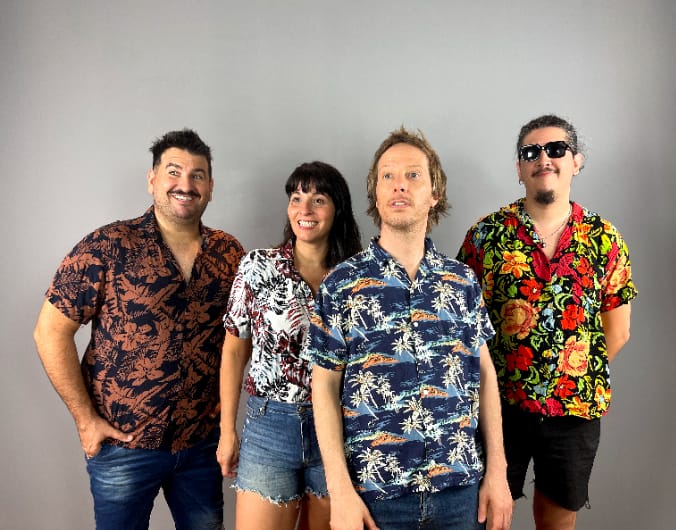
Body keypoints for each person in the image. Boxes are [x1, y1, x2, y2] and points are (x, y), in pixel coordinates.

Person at [33, 129, 245, 530]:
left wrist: (227, 420)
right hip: (123, 446)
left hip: (201, 445)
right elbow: (49, 332)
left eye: (197, 175)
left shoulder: (229, 253)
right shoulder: (107, 245)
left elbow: (241, 339)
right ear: (152, 179)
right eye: (174, 172)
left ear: (210, 187)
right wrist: (85, 419)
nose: (185, 184)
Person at [307, 127, 513, 530]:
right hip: (375, 498)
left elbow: (485, 376)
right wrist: (340, 491)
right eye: (388, 176)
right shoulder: (342, 284)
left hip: (460, 493)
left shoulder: (462, 282)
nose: (399, 184)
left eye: (413, 175)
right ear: (376, 194)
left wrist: (498, 472)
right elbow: (324, 386)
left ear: (435, 193)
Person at [457, 114, 638, 530]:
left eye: (556, 149)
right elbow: (463, 326)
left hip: (574, 409)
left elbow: (618, 330)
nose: (544, 159)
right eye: (531, 152)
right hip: (499, 407)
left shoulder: (604, 238)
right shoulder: (486, 235)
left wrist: (566, 373)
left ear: (576, 162)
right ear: (519, 169)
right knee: (486, 516)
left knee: (557, 518)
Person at [216, 161, 362, 530]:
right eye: (296, 198)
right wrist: (227, 430)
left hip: (339, 428)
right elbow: (234, 350)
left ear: (338, 209)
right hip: (270, 426)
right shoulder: (257, 266)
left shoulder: (355, 277)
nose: (304, 209)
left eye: (318, 200)